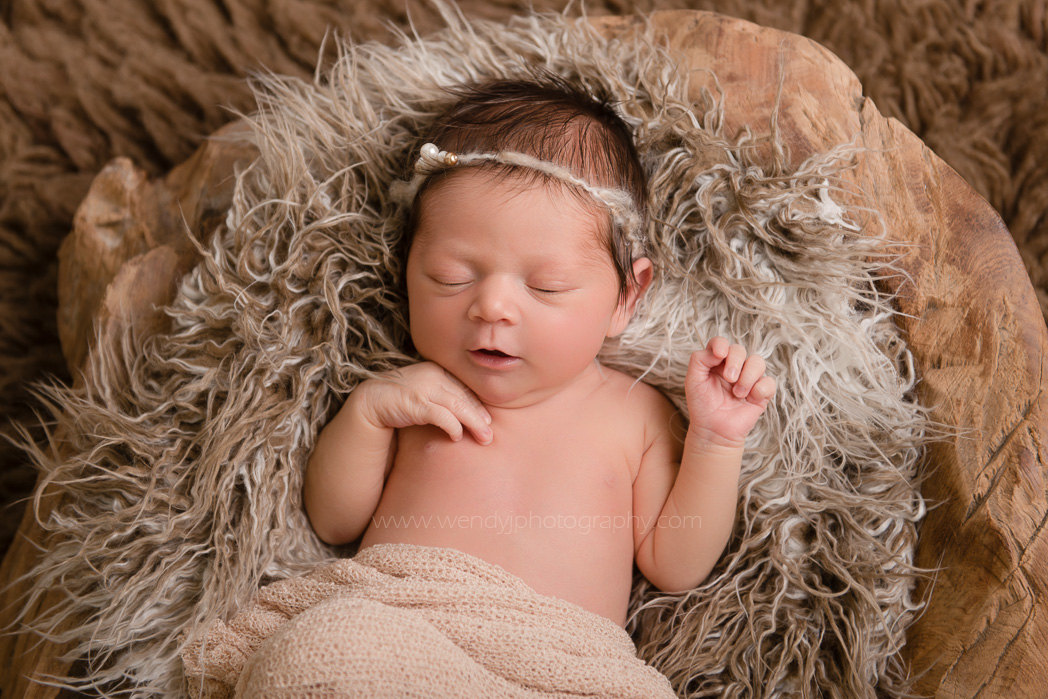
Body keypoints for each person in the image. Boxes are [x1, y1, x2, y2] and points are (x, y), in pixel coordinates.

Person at [303, 76, 776, 628]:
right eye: (450, 278)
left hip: (553, 663)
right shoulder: (412, 401)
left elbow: (675, 565)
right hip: (398, 632)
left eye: (546, 286)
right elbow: (333, 523)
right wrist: (367, 413)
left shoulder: (636, 415)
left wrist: (716, 441)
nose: (493, 307)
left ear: (626, 296)